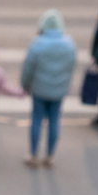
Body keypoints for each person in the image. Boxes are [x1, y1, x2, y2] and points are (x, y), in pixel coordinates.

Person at [20, 9, 77, 168]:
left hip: (39, 89)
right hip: (58, 91)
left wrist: (24, 84)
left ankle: (33, 154)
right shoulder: (69, 44)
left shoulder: (37, 44)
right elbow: (71, 68)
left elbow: (28, 68)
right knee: (54, 121)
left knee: (36, 120)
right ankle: (50, 156)